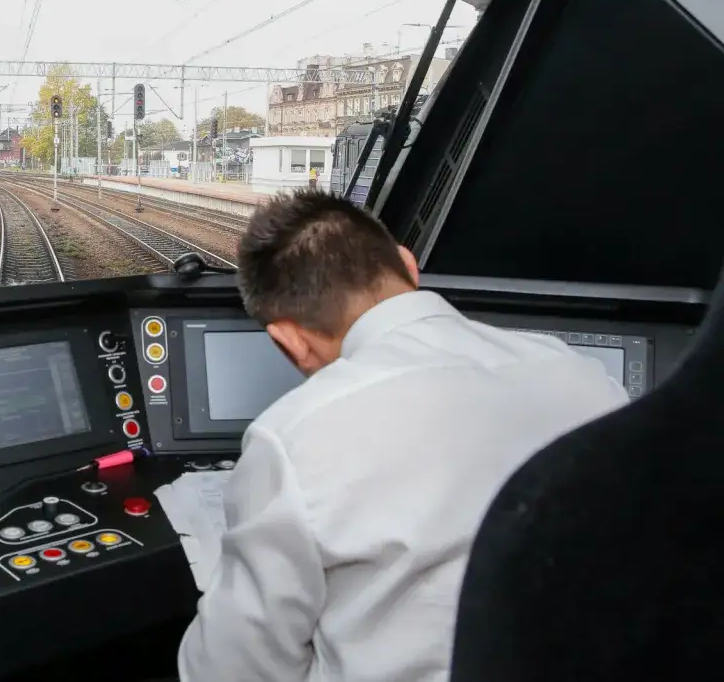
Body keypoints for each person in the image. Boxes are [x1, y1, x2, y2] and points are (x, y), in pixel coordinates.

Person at [177, 190, 628, 682]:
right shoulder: (582, 375)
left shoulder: (293, 437)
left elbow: (231, 667)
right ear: (409, 267)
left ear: (290, 341)